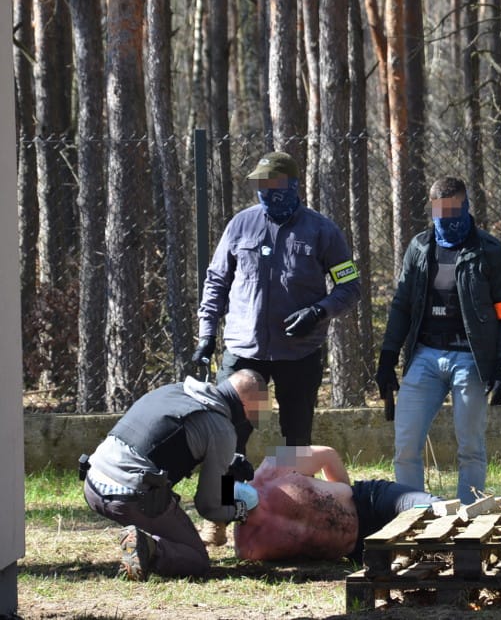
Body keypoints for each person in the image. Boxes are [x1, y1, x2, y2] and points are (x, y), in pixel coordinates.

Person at [193, 150, 361, 545]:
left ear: (294, 186)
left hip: (298, 353)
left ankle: (294, 518)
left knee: (296, 440)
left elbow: (349, 286)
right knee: (228, 437)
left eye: (276, 187)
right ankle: (218, 517)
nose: (268, 195)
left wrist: (319, 311)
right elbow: (216, 282)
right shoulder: (240, 226)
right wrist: (205, 335)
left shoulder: (322, 231)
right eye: (261, 188)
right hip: (243, 350)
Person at [375, 177, 501, 505]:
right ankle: (413, 513)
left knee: (470, 446)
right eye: (443, 215)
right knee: (406, 444)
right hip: (425, 354)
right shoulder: (420, 248)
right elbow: (402, 305)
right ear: (433, 211)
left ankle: (469, 516)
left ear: (467, 207)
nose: (450, 222)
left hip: (470, 358)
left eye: (457, 213)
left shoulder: (491, 252)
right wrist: (387, 356)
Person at [81, 370, 270, 580]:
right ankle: (146, 546)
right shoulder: (222, 429)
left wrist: (226, 465)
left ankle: (142, 538)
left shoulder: (175, 390)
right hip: (128, 497)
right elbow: (208, 507)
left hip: (93, 481)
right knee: (196, 560)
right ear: (248, 403)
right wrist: (239, 511)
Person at [233, 446, 441, 563]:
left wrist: (342, 495)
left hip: (370, 501)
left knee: (438, 511)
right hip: (357, 551)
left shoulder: (275, 462)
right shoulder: (248, 547)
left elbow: (327, 454)